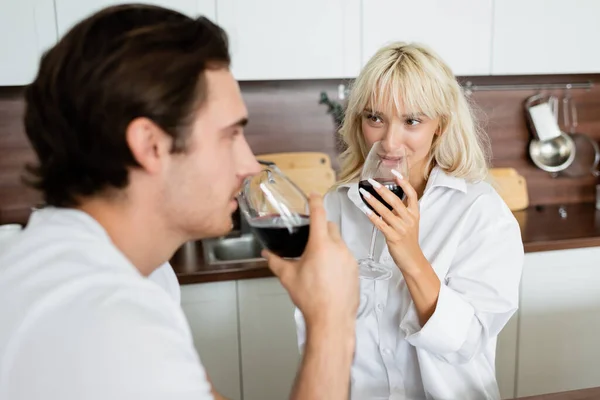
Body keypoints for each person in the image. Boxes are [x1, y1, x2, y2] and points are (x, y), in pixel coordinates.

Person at [0, 4, 359, 400]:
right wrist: (330, 322)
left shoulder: (133, 271)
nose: (248, 164)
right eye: (229, 135)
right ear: (151, 146)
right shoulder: (107, 322)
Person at [295, 42, 525, 399]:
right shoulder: (338, 206)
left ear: (440, 126)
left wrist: (409, 255)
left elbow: (466, 342)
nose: (389, 141)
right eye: (375, 118)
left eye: (412, 121)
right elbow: (315, 332)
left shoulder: (479, 211)